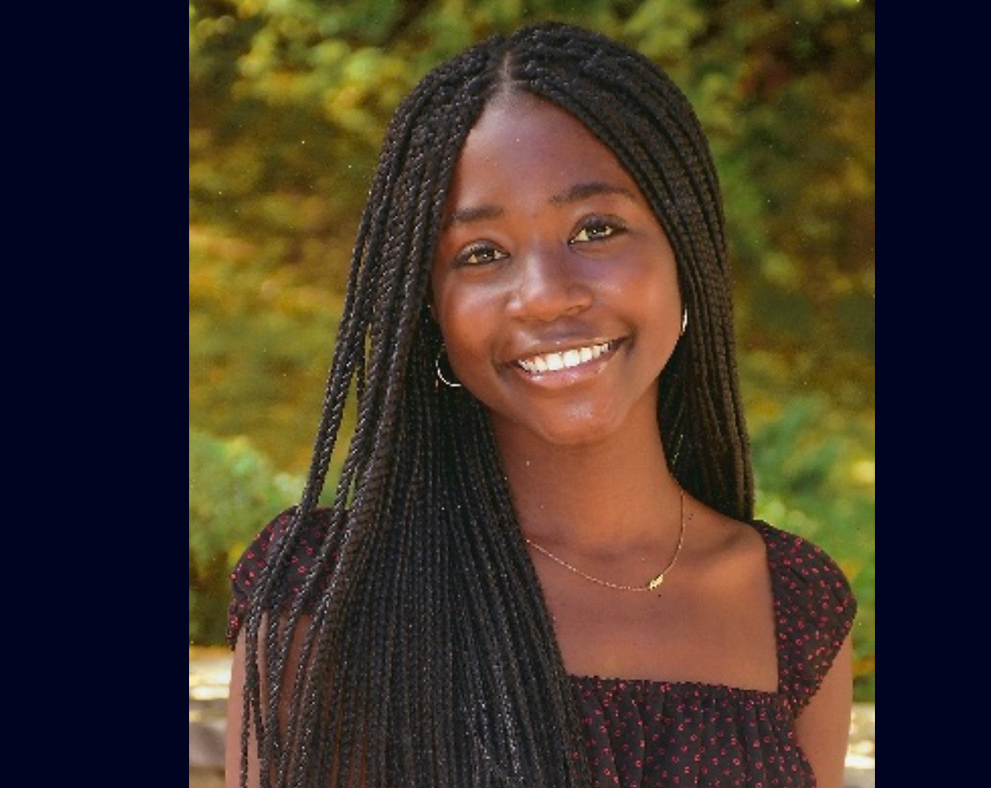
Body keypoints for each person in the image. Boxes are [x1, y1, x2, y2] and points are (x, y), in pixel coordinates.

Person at [224, 20, 856, 788]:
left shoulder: (790, 604)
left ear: (684, 256)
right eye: (481, 254)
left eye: (596, 229)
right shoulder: (329, 592)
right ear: (432, 309)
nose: (546, 296)